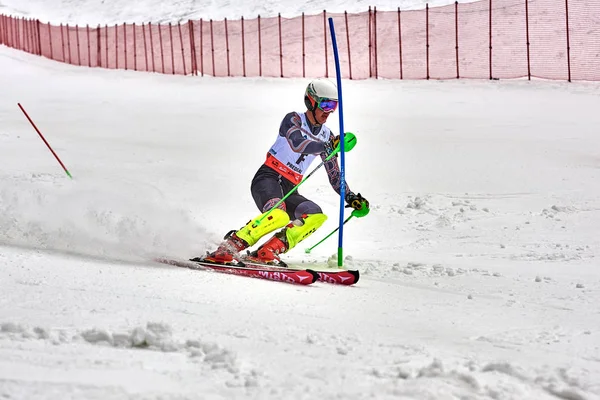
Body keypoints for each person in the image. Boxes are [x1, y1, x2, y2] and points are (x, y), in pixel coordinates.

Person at [199, 78, 369, 265]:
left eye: (334, 106)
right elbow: (297, 144)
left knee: (316, 215)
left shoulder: (327, 136)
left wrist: (351, 197)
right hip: (268, 178)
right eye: (325, 104)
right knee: (278, 214)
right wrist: (326, 146)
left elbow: (335, 175)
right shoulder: (294, 119)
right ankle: (228, 247)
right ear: (311, 101)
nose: (328, 111)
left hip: (290, 187)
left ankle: (267, 251)